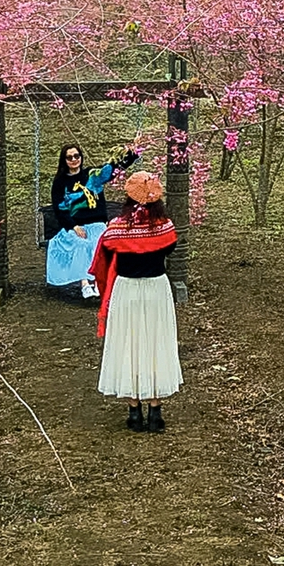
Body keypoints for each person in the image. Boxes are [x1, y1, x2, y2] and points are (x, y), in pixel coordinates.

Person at [90, 171, 182, 431]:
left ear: (128, 197)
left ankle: (133, 411)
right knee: (156, 343)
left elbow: (106, 252)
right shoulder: (165, 227)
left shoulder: (116, 228)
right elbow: (170, 248)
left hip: (127, 290)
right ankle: (155, 411)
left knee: (128, 342)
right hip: (156, 290)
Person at [48, 143, 139, 299]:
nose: (74, 160)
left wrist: (133, 151)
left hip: (96, 223)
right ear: (64, 160)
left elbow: (112, 170)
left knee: (98, 243)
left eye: (77, 156)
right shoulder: (60, 182)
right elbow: (60, 209)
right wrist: (73, 226)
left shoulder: (92, 175)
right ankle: (85, 284)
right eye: (69, 157)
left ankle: (97, 282)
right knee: (81, 244)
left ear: (81, 157)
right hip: (75, 225)